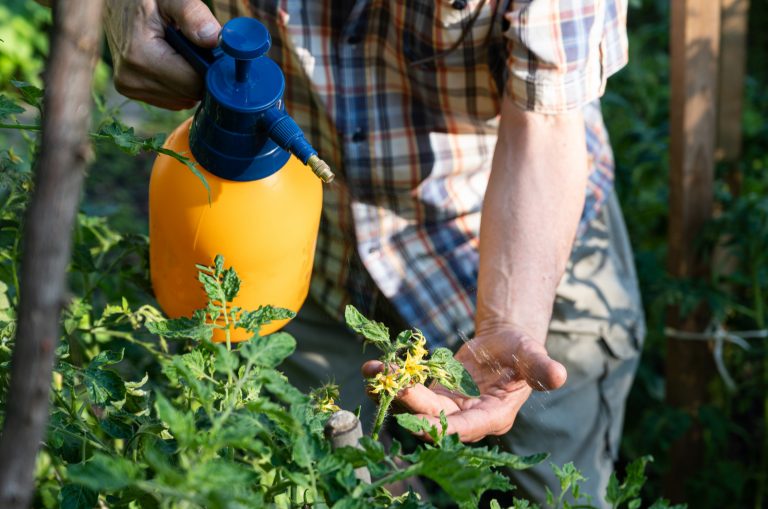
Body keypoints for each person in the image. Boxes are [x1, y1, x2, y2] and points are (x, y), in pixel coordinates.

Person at [103, 0, 645, 505]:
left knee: (556, 491)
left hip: (516, 245)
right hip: (303, 250)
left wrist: (506, 321)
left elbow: (544, 122)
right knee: (323, 482)